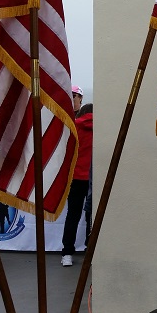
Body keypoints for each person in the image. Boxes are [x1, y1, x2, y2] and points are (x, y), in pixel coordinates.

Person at [61, 87, 92, 267]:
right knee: (91, 215)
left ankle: (67, 253)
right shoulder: (101, 128)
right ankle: (90, 250)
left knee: (73, 214)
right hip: (92, 177)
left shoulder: (73, 126)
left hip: (76, 176)